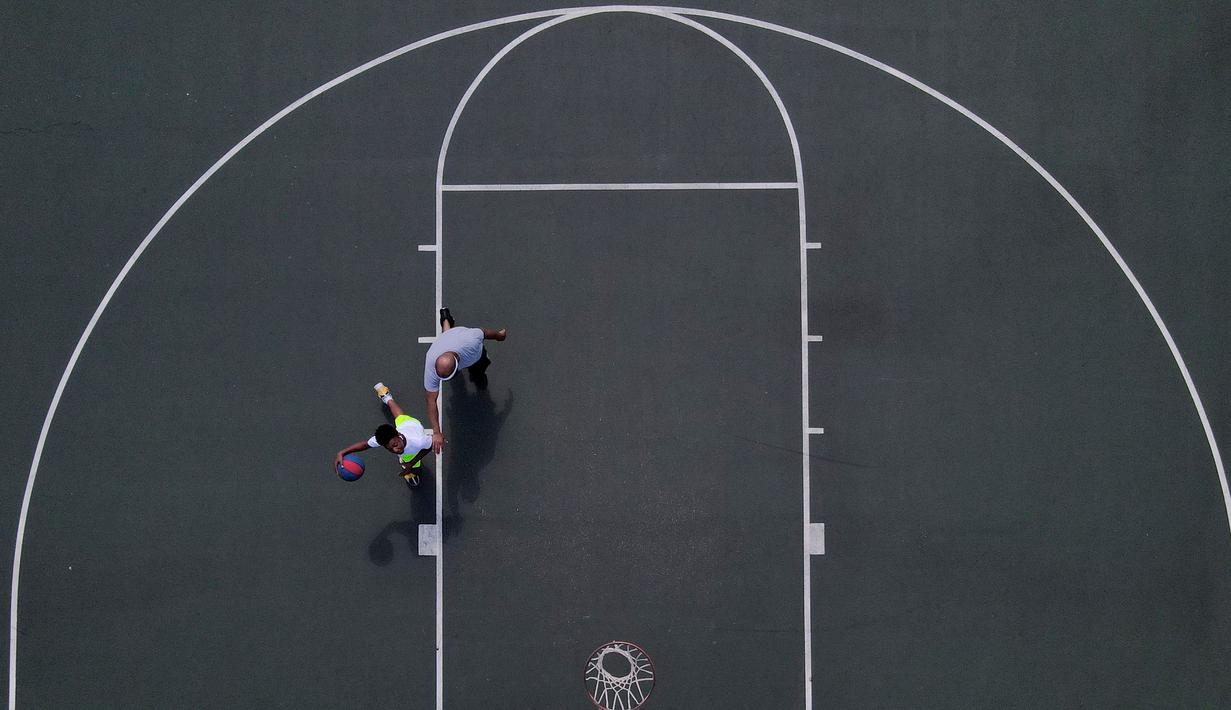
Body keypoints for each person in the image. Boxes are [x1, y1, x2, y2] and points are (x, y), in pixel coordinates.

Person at [423, 307, 506, 454]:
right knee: (446, 334)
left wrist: (499, 335)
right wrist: (436, 432)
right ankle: (446, 319)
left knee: (479, 372)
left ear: (457, 362)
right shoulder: (431, 362)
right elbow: (431, 400)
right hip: (448, 340)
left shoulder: (470, 340)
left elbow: (485, 332)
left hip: (474, 355)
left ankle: (447, 320)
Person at [334, 383, 432, 488]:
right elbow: (365, 445)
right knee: (399, 416)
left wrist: (411, 463)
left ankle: (412, 472)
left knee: (415, 467)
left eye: (395, 445)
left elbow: (429, 447)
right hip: (405, 426)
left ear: (398, 434)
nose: (395, 450)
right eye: (390, 449)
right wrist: (342, 452)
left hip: (412, 425)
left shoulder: (419, 441)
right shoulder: (384, 438)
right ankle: (386, 397)